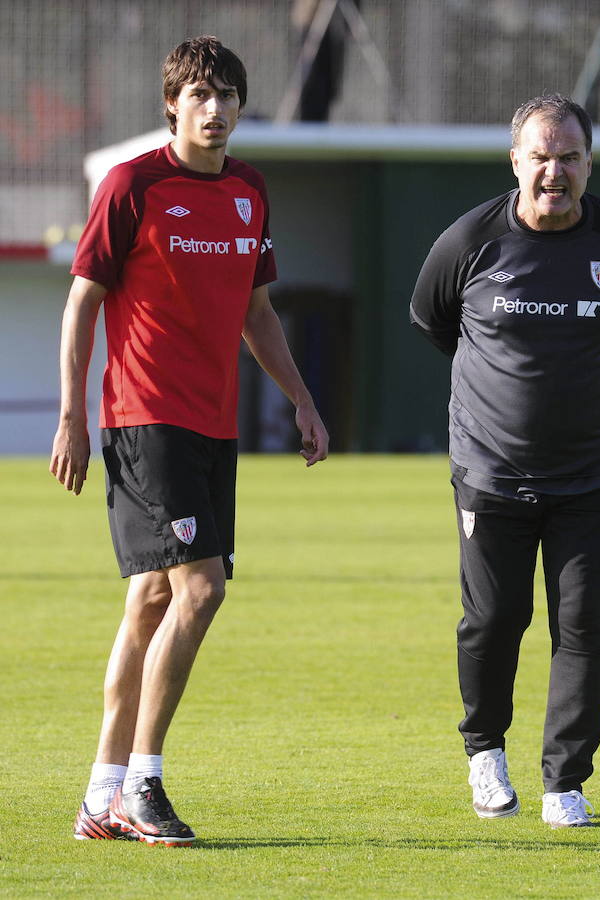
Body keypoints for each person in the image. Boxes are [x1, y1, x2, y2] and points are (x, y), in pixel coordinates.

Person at [50, 35, 329, 846]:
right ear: (172, 105)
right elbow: (81, 304)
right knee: (201, 591)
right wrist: (71, 416)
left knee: (152, 601)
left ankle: (101, 794)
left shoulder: (248, 191)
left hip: (214, 424)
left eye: (228, 95)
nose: (216, 109)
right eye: (200, 95)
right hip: (145, 418)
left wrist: (303, 401)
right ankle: (144, 784)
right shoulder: (132, 185)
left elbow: (258, 315)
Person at [410, 94, 600, 828]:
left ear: (590, 163)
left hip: (594, 475)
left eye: (569, 157)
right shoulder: (469, 241)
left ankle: (565, 782)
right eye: (540, 157)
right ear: (515, 162)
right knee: (494, 620)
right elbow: (431, 320)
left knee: (584, 624)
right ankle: (485, 752)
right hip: (491, 473)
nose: (554, 171)